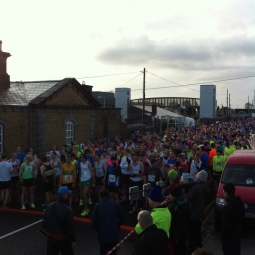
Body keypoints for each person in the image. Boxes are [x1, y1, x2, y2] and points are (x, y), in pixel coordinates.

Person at [42, 186, 76, 255]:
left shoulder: (50, 206)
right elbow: (70, 227)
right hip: (63, 239)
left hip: (51, 237)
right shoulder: (67, 210)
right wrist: (73, 239)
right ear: (65, 195)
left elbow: (44, 223)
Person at [92, 188, 125, 255]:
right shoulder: (114, 204)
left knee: (103, 252)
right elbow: (123, 218)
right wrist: (117, 225)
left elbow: (94, 222)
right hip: (113, 235)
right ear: (109, 195)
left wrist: (98, 229)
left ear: (100, 196)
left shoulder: (98, 206)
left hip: (102, 236)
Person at [186, 170, 211, 255]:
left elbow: (189, 198)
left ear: (199, 179)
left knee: (191, 235)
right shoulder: (205, 187)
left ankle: (191, 251)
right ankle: (200, 249)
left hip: (193, 213)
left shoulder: (195, 188)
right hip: (199, 214)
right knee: (197, 234)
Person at [221, 183, 245, 255]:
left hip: (229, 237)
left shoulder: (227, 206)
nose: (223, 192)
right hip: (237, 234)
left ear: (226, 192)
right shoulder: (239, 202)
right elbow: (242, 217)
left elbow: (225, 224)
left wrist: (223, 238)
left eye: (223, 191)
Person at [168, 186, 190, 255]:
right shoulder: (185, 202)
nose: (169, 196)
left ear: (173, 196)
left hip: (176, 233)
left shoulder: (173, 206)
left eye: (170, 195)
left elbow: (171, 221)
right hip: (185, 230)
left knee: (177, 249)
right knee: (183, 247)